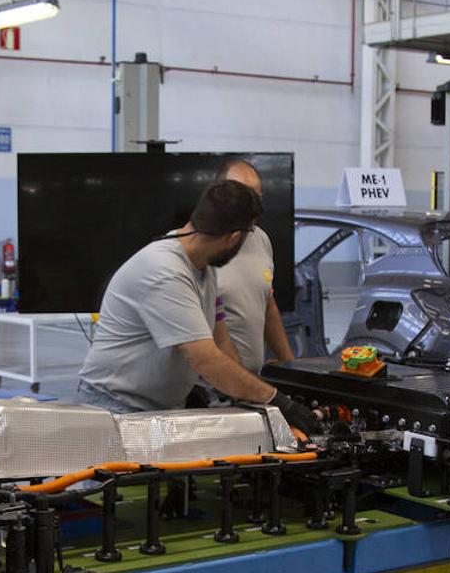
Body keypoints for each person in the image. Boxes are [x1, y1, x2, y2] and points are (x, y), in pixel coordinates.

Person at [76, 179, 318, 435]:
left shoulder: (203, 268)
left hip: (159, 409)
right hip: (116, 408)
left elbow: (221, 342)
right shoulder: (165, 272)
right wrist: (279, 402)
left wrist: (248, 399)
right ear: (234, 238)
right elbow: (205, 358)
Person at [211, 158, 295, 373]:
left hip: (249, 386)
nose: (250, 206)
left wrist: (291, 366)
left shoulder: (261, 240)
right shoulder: (200, 249)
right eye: (241, 195)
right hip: (208, 390)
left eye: (256, 197)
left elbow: (268, 305)